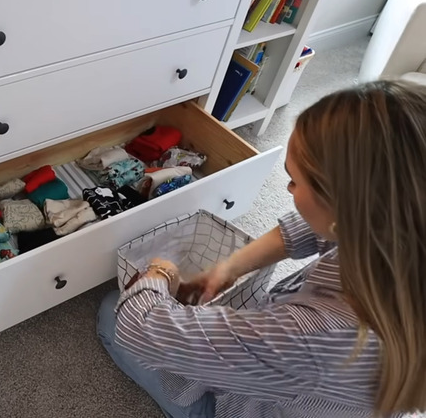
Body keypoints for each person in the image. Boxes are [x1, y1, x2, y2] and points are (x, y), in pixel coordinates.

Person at [97, 80, 426, 418]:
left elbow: (141, 327)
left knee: (112, 312)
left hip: (252, 405)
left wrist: (160, 270)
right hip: (322, 391)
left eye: (295, 181)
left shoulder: (311, 338)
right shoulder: (395, 230)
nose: (287, 188)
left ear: (343, 208)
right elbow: (310, 230)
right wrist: (231, 267)